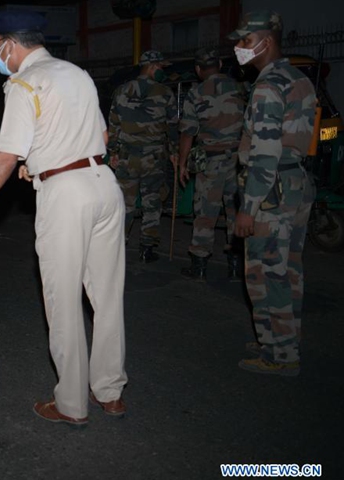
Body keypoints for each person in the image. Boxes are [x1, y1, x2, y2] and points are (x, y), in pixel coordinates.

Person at [0, 10, 127, 426]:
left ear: (9, 43)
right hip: (105, 185)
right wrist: (41, 160)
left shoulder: (23, 82)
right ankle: (110, 391)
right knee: (108, 296)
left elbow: (6, 156)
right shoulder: (77, 73)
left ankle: (72, 404)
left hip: (67, 196)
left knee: (63, 301)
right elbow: (101, 136)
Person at [228, 11, 316, 376]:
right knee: (288, 269)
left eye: (246, 41)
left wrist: (248, 207)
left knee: (265, 273)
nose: (240, 48)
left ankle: (279, 356)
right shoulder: (298, 79)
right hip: (295, 184)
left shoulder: (267, 86)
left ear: (267, 40)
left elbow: (265, 152)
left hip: (270, 191)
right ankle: (279, 337)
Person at [176, 47, 247, 281]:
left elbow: (187, 133)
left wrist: (182, 164)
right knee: (235, 212)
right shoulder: (239, 87)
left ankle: (200, 267)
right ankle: (236, 266)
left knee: (205, 213)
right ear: (219, 65)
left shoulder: (196, 93)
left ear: (198, 70)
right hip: (239, 161)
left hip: (212, 162)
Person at [107, 50, 179, 263]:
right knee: (152, 202)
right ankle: (147, 248)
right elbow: (173, 128)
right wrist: (175, 153)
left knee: (125, 203)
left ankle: (118, 247)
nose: (162, 72)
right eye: (160, 68)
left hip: (127, 157)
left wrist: (112, 152)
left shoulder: (121, 91)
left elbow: (113, 125)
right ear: (152, 66)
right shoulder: (165, 93)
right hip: (154, 158)